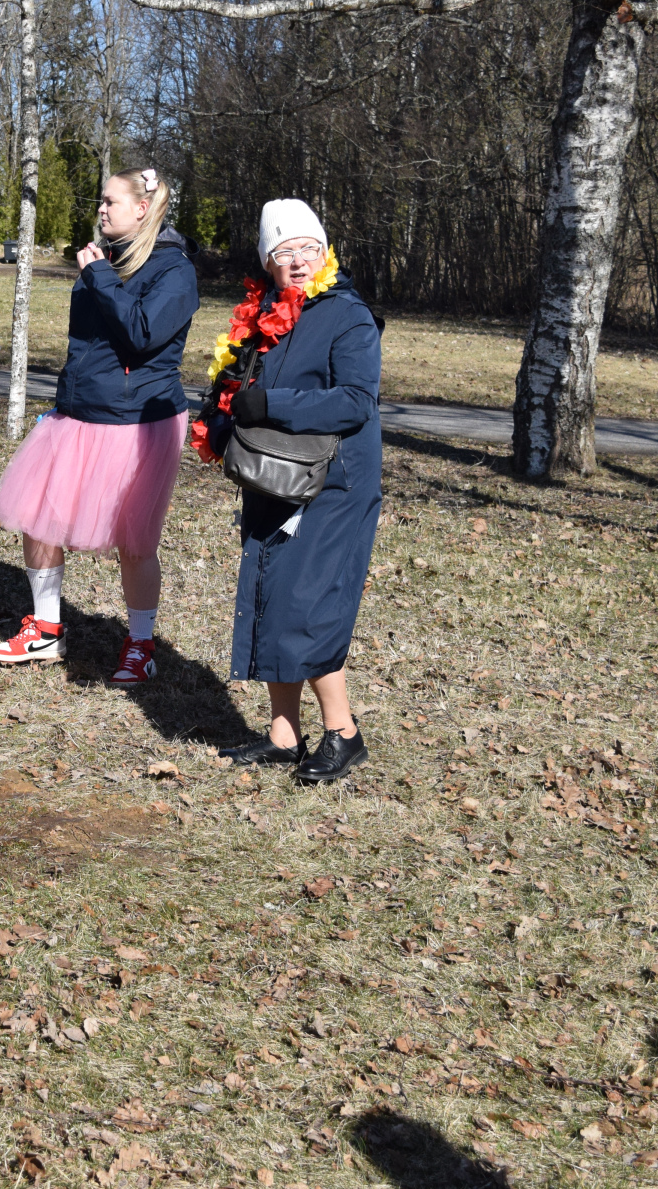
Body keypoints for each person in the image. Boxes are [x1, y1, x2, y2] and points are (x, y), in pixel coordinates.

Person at [0, 167, 198, 686]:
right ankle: (46, 629)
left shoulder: (174, 269)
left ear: (142, 209)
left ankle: (140, 646)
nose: (101, 209)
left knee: (135, 541)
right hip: (78, 412)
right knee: (38, 516)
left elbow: (143, 334)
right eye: (100, 201)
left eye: (111, 201)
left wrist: (99, 277)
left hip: (138, 422)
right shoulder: (106, 259)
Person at [198, 199, 382, 782]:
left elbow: (355, 401)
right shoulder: (263, 315)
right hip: (274, 476)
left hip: (333, 484)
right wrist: (220, 419)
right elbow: (237, 385)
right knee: (271, 595)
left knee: (309, 605)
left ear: (325, 252)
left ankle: (343, 734)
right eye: (284, 251)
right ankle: (284, 735)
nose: (299, 260)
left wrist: (271, 404)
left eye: (308, 248)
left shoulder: (347, 315)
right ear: (267, 262)